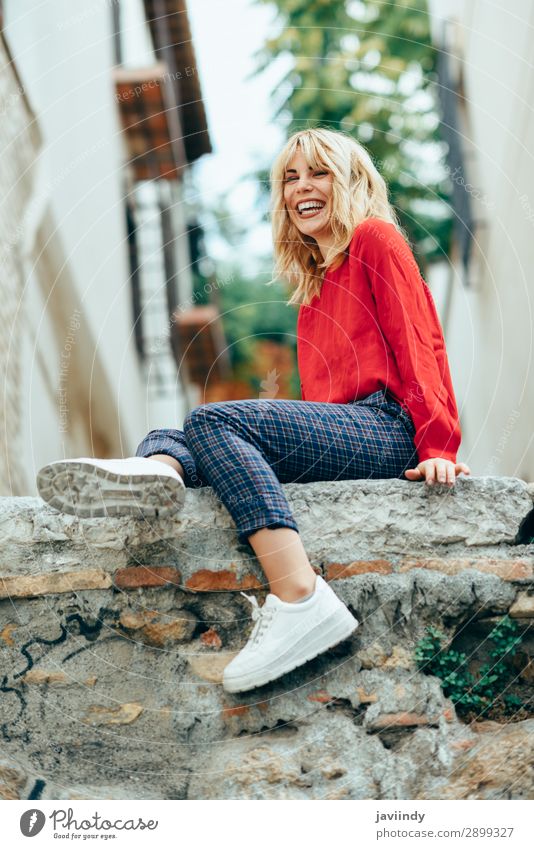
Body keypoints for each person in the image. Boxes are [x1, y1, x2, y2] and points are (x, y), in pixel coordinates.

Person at [36, 127, 471, 695]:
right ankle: (160, 471)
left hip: (389, 429)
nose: (301, 188)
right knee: (177, 432)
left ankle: (299, 597)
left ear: (351, 181)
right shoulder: (314, 288)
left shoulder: (375, 238)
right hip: (351, 431)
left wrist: (439, 447)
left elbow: (421, 346)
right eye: (290, 178)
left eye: (317, 172)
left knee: (215, 419)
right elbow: (319, 410)